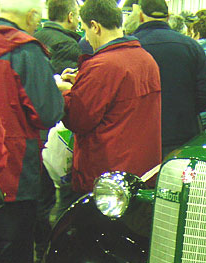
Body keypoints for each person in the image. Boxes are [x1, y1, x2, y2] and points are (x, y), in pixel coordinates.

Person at [0, 0, 64, 263]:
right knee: (12, 257)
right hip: (12, 170)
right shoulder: (24, 51)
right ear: (32, 17)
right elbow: (47, 111)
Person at [57, 0, 161, 196]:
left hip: (106, 177)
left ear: (95, 26)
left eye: (86, 29)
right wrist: (81, 81)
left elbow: (79, 119)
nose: (86, 39)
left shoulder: (102, 66)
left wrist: (64, 90)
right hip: (141, 172)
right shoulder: (146, 59)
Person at [133, 0, 206, 158]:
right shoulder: (191, 46)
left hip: (140, 136)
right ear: (168, 16)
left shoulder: (131, 45)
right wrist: (185, 111)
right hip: (182, 135)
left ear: (140, 16)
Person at [34, 0, 82, 262]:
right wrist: (65, 84)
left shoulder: (36, 37)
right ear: (72, 16)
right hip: (52, 133)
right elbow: (53, 96)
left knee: (39, 198)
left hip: (35, 134)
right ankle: (49, 254)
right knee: (53, 201)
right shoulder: (68, 44)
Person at [34, 0, 81, 74]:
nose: (78, 20)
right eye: (77, 16)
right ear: (70, 17)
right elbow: (65, 80)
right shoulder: (68, 45)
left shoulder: (35, 37)